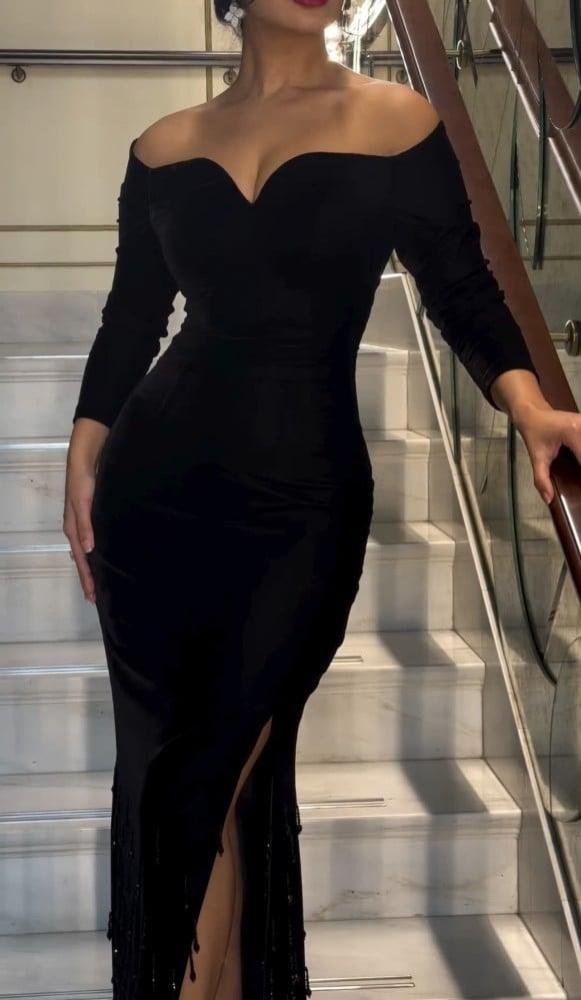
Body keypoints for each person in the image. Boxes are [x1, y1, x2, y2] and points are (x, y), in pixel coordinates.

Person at [63, 0, 581, 997]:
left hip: (301, 502)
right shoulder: (163, 144)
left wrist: (528, 406)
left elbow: (461, 286)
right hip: (153, 499)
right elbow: (132, 318)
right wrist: (85, 458)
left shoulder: (398, 121)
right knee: (190, 789)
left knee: (209, 775)